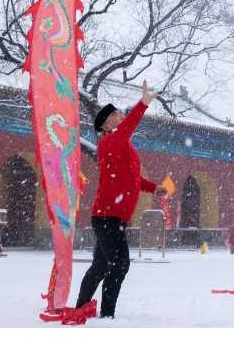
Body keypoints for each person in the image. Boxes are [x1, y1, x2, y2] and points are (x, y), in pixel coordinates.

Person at [74, 79, 169, 319]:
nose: (120, 116)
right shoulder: (109, 141)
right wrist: (143, 103)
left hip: (113, 217)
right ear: (106, 124)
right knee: (120, 264)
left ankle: (81, 306)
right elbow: (128, 127)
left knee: (101, 265)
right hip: (108, 216)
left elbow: (132, 179)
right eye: (116, 114)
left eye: (118, 113)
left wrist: (154, 187)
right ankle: (107, 315)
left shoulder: (122, 144)